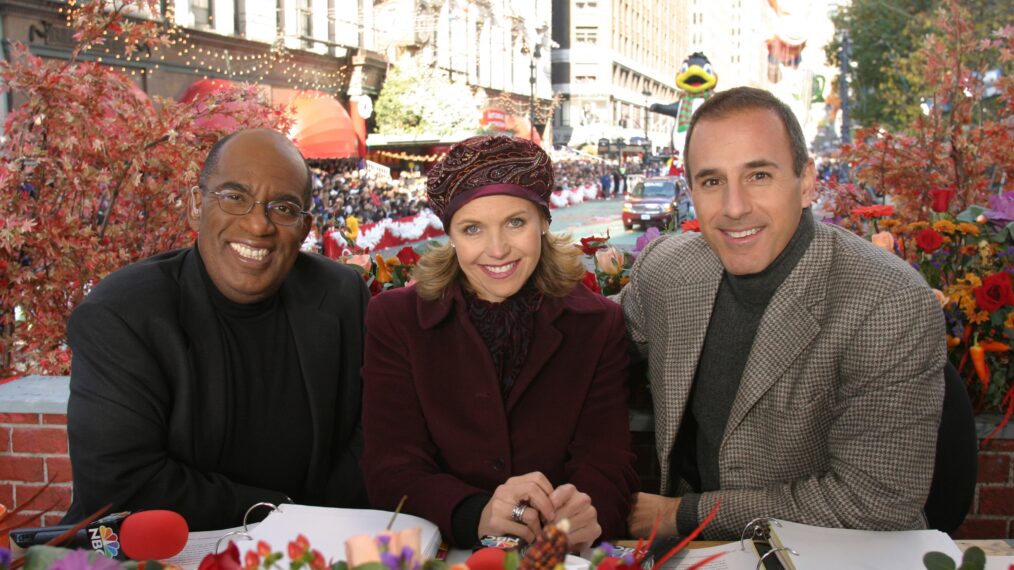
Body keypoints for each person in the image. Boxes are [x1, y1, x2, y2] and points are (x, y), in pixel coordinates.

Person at [620, 87, 945, 540]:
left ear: (808, 182)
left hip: (838, 555)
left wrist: (682, 514)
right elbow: (580, 346)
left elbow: (875, 499)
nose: (734, 208)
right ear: (691, 191)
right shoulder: (669, 269)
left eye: (758, 176)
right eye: (712, 182)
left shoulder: (887, 301)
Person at [64, 129, 370, 531]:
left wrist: (322, 531)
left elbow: (374, 430)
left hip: (318, 547)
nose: (259, 225)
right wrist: (290, 518)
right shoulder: (122, 315)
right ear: (196, 206)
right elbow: (123, 484)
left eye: (283, 208)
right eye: (235, 197)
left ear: (305, 227)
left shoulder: (340, 295)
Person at [361, 135, 638, 551]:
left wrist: (584, 512)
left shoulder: (598, 323)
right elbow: (390, 469)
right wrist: (476, 512)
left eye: (515, 222)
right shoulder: (396, 319)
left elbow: (606, 463)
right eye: (472, 229)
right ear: (450, 234)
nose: (496, 250)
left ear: (544, 221)